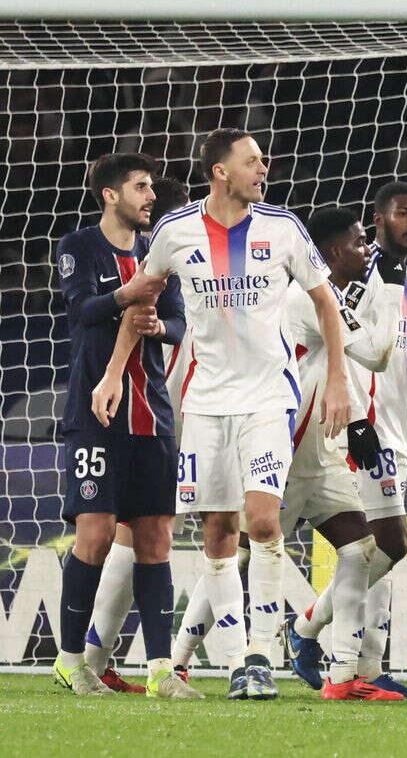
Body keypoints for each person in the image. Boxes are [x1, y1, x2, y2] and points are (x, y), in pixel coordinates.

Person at [93, 129, 352, 701]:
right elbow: (143, 298)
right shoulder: (174, 230)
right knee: (216, 530)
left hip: (267, 398)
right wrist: (113, 373)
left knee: (261, 521)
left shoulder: (282, 227)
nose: (264, 167)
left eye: (263, 160)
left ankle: (262, 655)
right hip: (206, 401)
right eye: (252, 161)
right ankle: (237, 664)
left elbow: (325, 302)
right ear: (220, 172)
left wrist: (337, 379)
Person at [54, 153, 199, 699]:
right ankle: (71, 661)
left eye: (150, 188)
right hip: (95, 414)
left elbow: (182, 323)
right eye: (139, 187)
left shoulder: (160, 254)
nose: (150, 196)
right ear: (111, 194)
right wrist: (128, 296)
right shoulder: (79, 247)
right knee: (93, 534)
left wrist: (161, 322)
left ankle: (160, 667)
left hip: (153, 414)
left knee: (156, 537)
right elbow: (80, 309)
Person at [291, 181, 407, 699]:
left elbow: (405, 356)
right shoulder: (353, 277)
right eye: (403, 213)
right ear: (378, 220)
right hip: (357, 429)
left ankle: (342, 652)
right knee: (383, 543)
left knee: (378, 547)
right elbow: (350, 358)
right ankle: (325, 645)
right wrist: (357, 422)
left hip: (393, 431)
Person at [282, 206, 404, 701]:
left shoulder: (328, 295)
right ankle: (179, 662)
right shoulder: (310, 298)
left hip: (323, 449)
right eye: (359, 242)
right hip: (288, 451)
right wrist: (392, 289)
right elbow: (376, 353)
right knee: (241, 554)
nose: (368, 248)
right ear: (334, 252)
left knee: (360, 550)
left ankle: (341, 677)